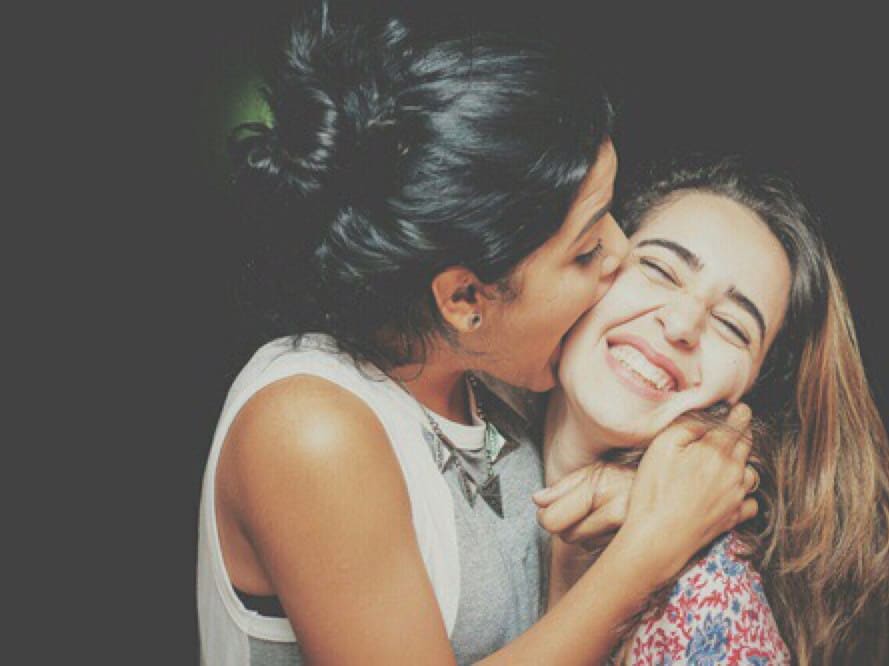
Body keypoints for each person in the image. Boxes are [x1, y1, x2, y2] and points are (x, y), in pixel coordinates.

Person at [197, 11, 761, 665]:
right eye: (585, 251)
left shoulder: (493, 374)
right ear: (465, 300)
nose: (621, 251)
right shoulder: (309, 428)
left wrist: (638, 488)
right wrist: (651, 547)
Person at [534, 156, 889, 665]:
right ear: (593, 261)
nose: (682, 324)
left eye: (734, 326)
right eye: (660, 269)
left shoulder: (714, 608)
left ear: (747, 397)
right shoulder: (465, 409)